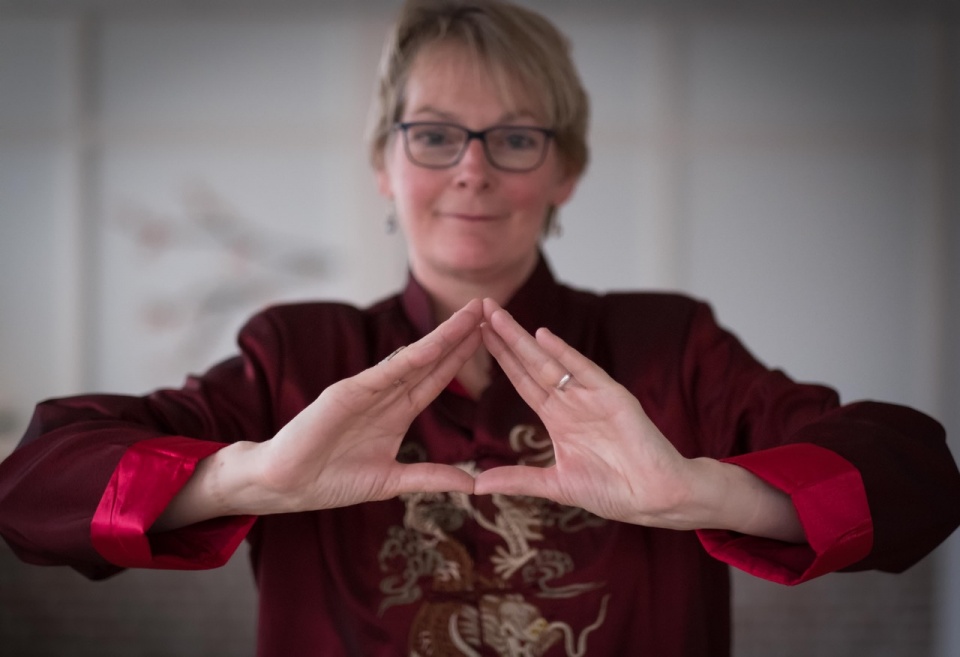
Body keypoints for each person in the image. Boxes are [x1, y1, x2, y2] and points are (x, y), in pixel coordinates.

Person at [1, 0, 958, 655]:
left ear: (565, 171)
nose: (472, 169)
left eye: (515, 137)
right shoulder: (296, 354)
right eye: (433, 134)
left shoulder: (668, 347)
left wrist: (706, 492)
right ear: (384, 166)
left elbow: (918, 475)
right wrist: (248, 477)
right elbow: (33, 485)